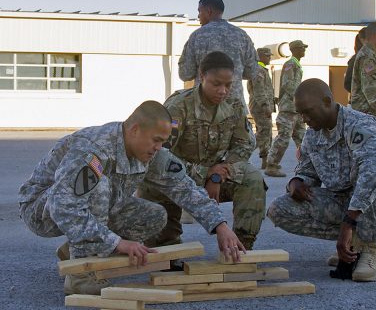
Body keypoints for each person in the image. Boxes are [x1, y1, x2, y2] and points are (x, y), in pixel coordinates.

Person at [18, 100, 245, 295]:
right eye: (156, 140)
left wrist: (220, 225)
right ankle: (80, 276)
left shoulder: (151, 153)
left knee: (153, 215)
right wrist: (117, 243)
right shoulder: (94, 149)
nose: (159, 147)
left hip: (79, 208)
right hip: (42, 209)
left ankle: (74, 250)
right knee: (100, 185)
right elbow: (63, 204)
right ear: (135, 129)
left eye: (162, 142)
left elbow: (186, 189)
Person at [267, 78, 376, 282]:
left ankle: (369, 251)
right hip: (343, 200)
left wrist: (348, 224)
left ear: (327, 102)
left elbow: (375, 173)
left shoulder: (360, 125)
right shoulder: (312, 135)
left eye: (308, 111)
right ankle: (353, 244)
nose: (304, 119)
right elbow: (307, 171)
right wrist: (296, 182)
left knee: (368, 180)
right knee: (279, 209)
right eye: (300, 113)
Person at [139, 51, 266, 250]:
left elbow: (245, 144)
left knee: (252, 178)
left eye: (228, 84)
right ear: (202, 76)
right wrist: (206, 173)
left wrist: (218, 173)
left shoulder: (234, 105)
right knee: (166, 259)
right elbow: (159, 156)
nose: (223, 91)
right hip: (175, 177)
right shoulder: (178, 106)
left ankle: (241, 245)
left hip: (213, 177)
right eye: (216, 84)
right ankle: (167, 244)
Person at [178, 0, 258, 113]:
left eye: (200, 11)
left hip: (205, 109)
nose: (198, 16)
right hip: (235, 109)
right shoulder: (242, 36)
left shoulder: (197, 36)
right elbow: (252, 72)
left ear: (209, 11)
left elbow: (185, 73)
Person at [264, 40, 308, 177]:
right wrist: (299, 98)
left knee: (303, 138)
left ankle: (308, 165)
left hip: (296, 109)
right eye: (302, 48)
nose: (304, 50)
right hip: (289, 108)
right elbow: (288, 85)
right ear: (295, 50)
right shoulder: (290, 64)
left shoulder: (296, 64)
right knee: (283, 137)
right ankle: (271, 165)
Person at [247, 47, 276, 170]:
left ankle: (265, 160)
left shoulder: (261, 69)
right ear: (261, 57)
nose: (270, 58)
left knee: (266, 132)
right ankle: (243, 152)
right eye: (268, 56)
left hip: (261, 105)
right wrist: (265, 106)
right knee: (263, 132)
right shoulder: (258, 70)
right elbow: (259, 91)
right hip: (260, 107)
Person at [344, 27, 367, 94]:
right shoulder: (356, 60)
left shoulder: (375, 59)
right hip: (361, 103)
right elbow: (348, 84)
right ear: (363, 40)